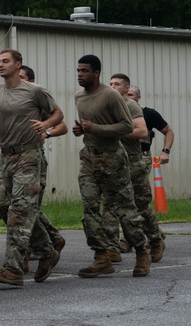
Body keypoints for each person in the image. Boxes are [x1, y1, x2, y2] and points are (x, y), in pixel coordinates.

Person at [0, 50, 62, 287]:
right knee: (4, 206)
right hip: (8, 157)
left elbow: (58, 114)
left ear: (17, 64)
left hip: (29, 155)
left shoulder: (35, 91)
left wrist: (45, 125)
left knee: (20, 211)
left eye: (5, 61)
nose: (1, 65)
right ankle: (46, 251)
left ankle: (13, 270)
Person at [72, 55, 150, 278]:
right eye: (78, 71)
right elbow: (88, 127)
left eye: (85, 71)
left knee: (124, 208)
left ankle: (142, 251)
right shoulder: (79, 96)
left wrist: (95, 127)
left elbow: (126, 126)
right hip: (88, 157)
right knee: (89, 210)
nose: (80, 75)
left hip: (112, 158)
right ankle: (101, 257)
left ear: (96, 73)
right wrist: (82, 130)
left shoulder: (110, 95)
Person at [102, 74, 154, 261]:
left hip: (133, 162)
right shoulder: (107, 105)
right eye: (110, 84)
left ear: (126, 88)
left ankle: (155, 241)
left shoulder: (131, 106)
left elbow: (142, 132)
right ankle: (112, 248)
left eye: (117, 84)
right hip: (113, 162)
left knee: (140, 206)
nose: (112, 86)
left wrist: (115, 130)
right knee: (109, 206)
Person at [128, 83, 173, 261]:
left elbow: (168, 131)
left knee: (137, 199)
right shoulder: (116, 112)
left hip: (141, 157)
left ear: (138, 97)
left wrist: (165, 151)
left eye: (132, 94)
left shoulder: (149, 114)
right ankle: (149, 234)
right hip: (120, 158)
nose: (129, 97)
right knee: (120, 200)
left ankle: (150, 239)